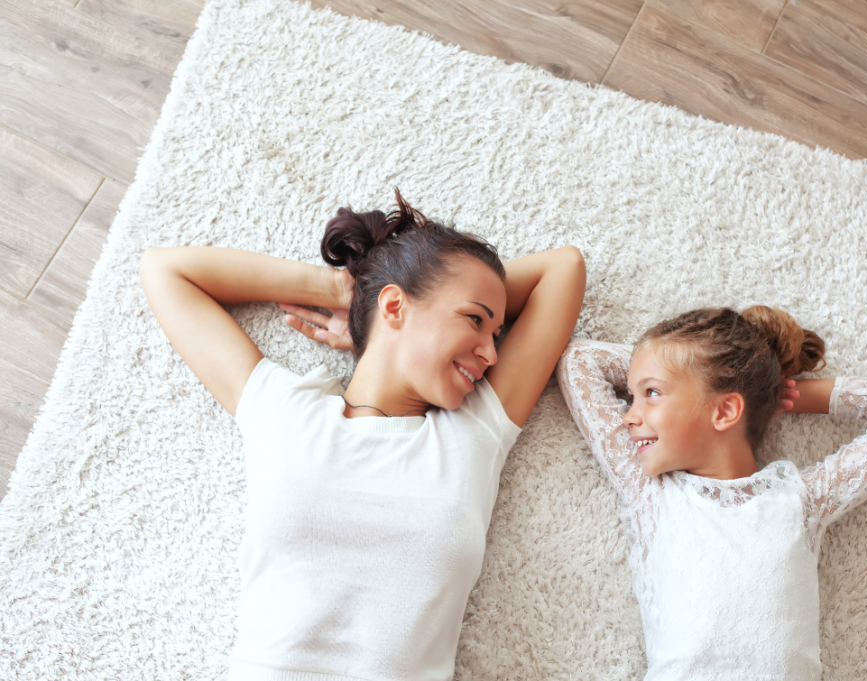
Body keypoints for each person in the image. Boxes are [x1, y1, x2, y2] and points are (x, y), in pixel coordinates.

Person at [139, 189, 586, 680]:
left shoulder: (472, 435)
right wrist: (348, 293)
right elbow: (165, 272)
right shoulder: (284, 413)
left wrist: (385, 313)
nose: (492, 353)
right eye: (476, 320)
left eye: (497, 333)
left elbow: (563, 269)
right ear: (395, 306)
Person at [556, 306, 867, 680]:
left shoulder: (802, 501)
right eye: (632, 393)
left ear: (726, 411)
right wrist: (732, 377)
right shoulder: (652, 493)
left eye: (652, 393)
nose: (629, 415)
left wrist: (785, 393)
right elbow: (577, 361)